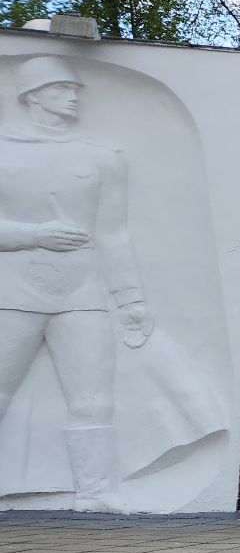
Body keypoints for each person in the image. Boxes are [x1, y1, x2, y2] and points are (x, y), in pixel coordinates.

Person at [0, 56, 152, 511]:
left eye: (76, 89)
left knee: (92, 397)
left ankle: (94, 492)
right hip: (12, 290)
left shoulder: (101, 157)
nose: (73, 95)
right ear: (33, 94)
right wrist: (34, 234)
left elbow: (113, 232)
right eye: (62, 87)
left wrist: (130, 298)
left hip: (81, 291)